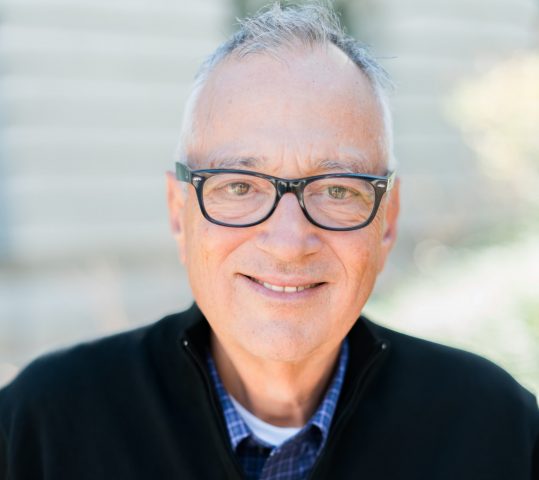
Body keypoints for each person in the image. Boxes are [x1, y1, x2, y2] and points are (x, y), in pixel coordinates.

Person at [1, 3, 538, 479]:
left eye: (337, 189)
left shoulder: (498, 431)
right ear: (179, 211)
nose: (288, 242)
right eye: (239, 186)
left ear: (387, 219)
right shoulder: (41, 427)